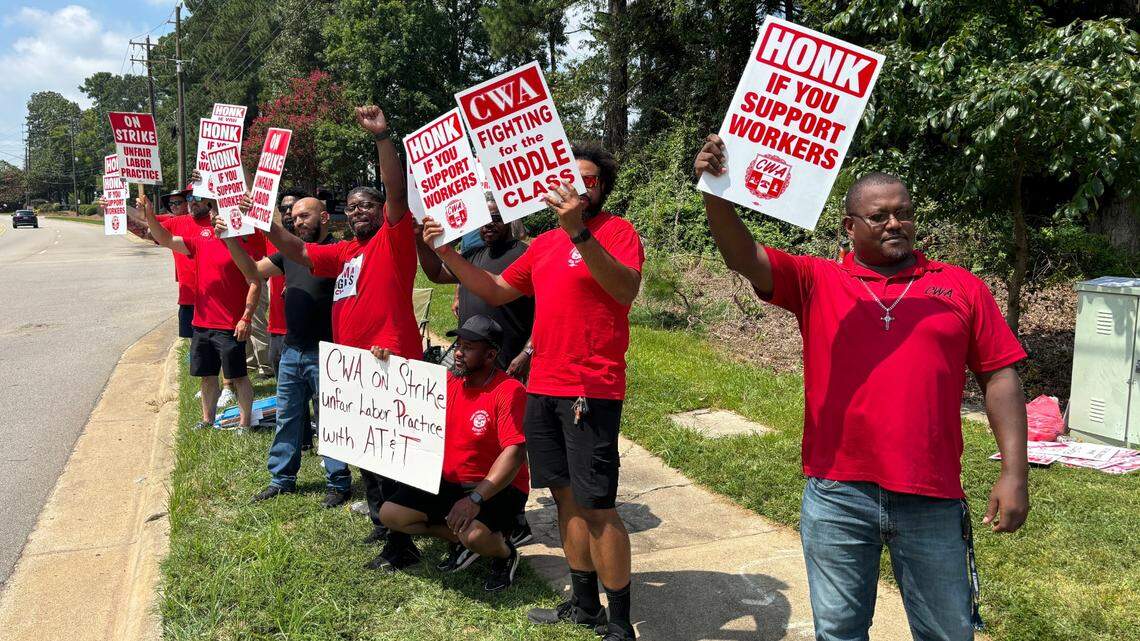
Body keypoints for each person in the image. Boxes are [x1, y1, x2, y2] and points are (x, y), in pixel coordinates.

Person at [694, 134, 1030, 641]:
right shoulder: (816, 280)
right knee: (839, 631)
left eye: (904, 213)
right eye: (879, 216)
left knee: (948, 632)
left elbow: (1000, 374)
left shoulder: (960, 286)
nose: (895, 223)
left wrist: (1015, 472)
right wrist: (715, 192)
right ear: (850, 226)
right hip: (837, 493)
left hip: (931, 495)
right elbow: (743, 256)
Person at [422, 142, 644, 641]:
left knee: (598, 506)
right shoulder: (542, 245)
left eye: (589, 179)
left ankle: (620, 623)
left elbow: (625, 289)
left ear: (602, 188)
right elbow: (498, 287)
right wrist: (445, 252)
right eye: (571, 176)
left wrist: (579, 232)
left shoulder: (617, 232)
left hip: (591, 388)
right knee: (565, 500)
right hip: (541, 387)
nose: (578, 185)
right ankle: (584, 605)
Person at [261, 105, 423, 571]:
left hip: (389, 361)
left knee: (393, 456)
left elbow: (395, 189)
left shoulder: (393, 239)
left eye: (366, 205)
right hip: (350, 366)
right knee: (366, 454)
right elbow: (295, 249)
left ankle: (402, 544)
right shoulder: (346, 251)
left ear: (383, 212)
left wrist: (382, 139)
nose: (358, 212)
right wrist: (262, 215)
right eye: (351, 207)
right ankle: (383, 523)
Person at [215, 196, 351, 508]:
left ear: (326, 217)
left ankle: (338, 481)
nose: (298, 221)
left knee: (331, 419)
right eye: (294, 216)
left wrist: (263, 219)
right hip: (292, 350)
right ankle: (281, 478)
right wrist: (231, 238)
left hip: (329, 352)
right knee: (287, 417)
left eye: (306, 216)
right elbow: (252, 271)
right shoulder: (288, 253)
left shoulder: (336, 251)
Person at [376, 315, 528, 591]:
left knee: (476, 536)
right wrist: (384, 362)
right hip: (449, 481)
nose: (457, 352)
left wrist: (475, 498)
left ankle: (504, 555)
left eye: (468, 348)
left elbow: (514, 453)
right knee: (391, 514)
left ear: (490, 355)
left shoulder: (509, 391)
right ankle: (459, 537)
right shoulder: (447, 383)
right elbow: (403, 387)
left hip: (493, 487)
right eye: (458, 344)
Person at [144, 194, 265, 431]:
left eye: (216, 210)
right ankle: (208, 419)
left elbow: (255, 282)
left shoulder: (243, 244)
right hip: (201, 323)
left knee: (239, 376)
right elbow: (166, 238)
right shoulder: (201, 241)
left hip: (231, 325)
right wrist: (149, 213)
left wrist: (246, 317)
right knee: (207, 376)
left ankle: (244, 423)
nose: (212, 215)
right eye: (211, 211)